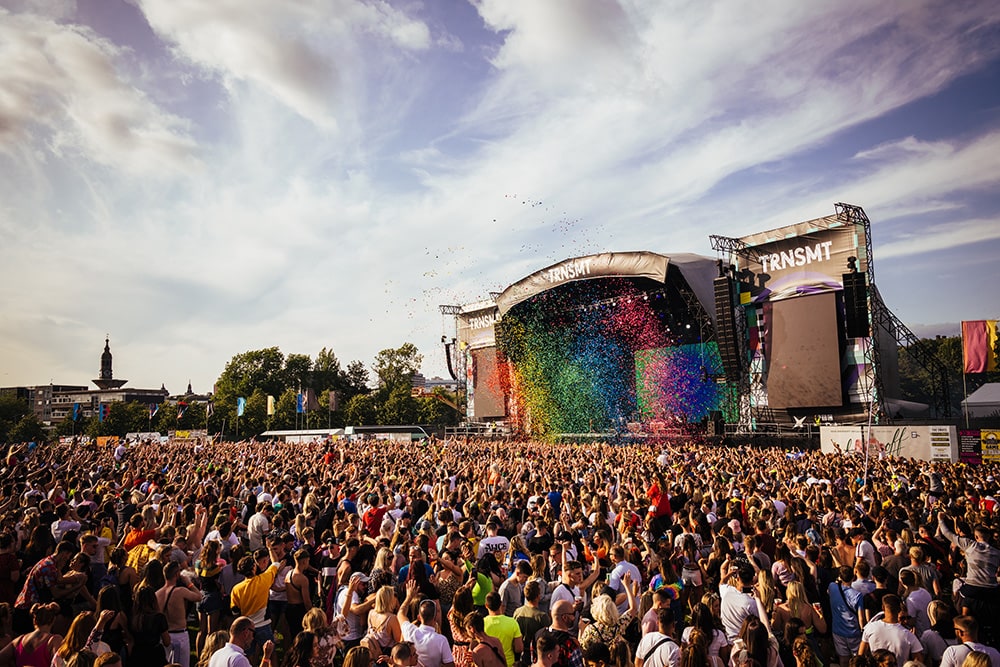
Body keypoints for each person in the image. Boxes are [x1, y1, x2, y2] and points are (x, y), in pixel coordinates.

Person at [157, 560, 202, 667]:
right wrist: (189, 583)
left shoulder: (157, 594)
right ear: (177, 574)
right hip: (180, 634)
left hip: (164, 635)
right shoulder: (180, 591)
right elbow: (199, 597)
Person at [858, 594, 923, 666]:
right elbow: (918, 661)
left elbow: (860, 655)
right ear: (899, 610)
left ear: (883, 608)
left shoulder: (870, 628)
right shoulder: (908, 635)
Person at [0, 602, 62, 667]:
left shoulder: (18, 641)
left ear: (34, 620)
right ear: (53, 620)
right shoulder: (54, 640)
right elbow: (59, 664)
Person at [829, 565, 864, 667]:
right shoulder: (857, 595)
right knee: (856, 660)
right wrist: (862, 630)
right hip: (854, 631)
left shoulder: (832, 587)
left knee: (843, 659)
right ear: (853, 577)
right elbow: (861, 617)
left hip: (838, 630)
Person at [208, 616, 274, 667]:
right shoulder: (239, 659)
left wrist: (266, 657)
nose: (253, 638)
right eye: (253, 633)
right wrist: (266, 657)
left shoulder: (216, 655)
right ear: (246, 633)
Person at [483, 591, 523, 666]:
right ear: (501, 604)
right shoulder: (512, 623)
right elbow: (519, 648)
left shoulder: (482, 624)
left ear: (486, 606)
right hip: (508, 663)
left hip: (489, 663)